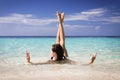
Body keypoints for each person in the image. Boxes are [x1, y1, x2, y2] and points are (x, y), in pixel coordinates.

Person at [26, 11, 96, 65]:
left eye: (51, 50)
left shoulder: (63, 61)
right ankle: (60, 22)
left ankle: (60, 22)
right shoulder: (51, 61)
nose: (50, 52)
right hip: (63, 55)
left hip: (63, 57)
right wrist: (29, 61)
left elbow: (79, 64)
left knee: (59, 43)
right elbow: (38, 64)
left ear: (54, 53)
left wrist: (91, 61)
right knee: (62, 43)